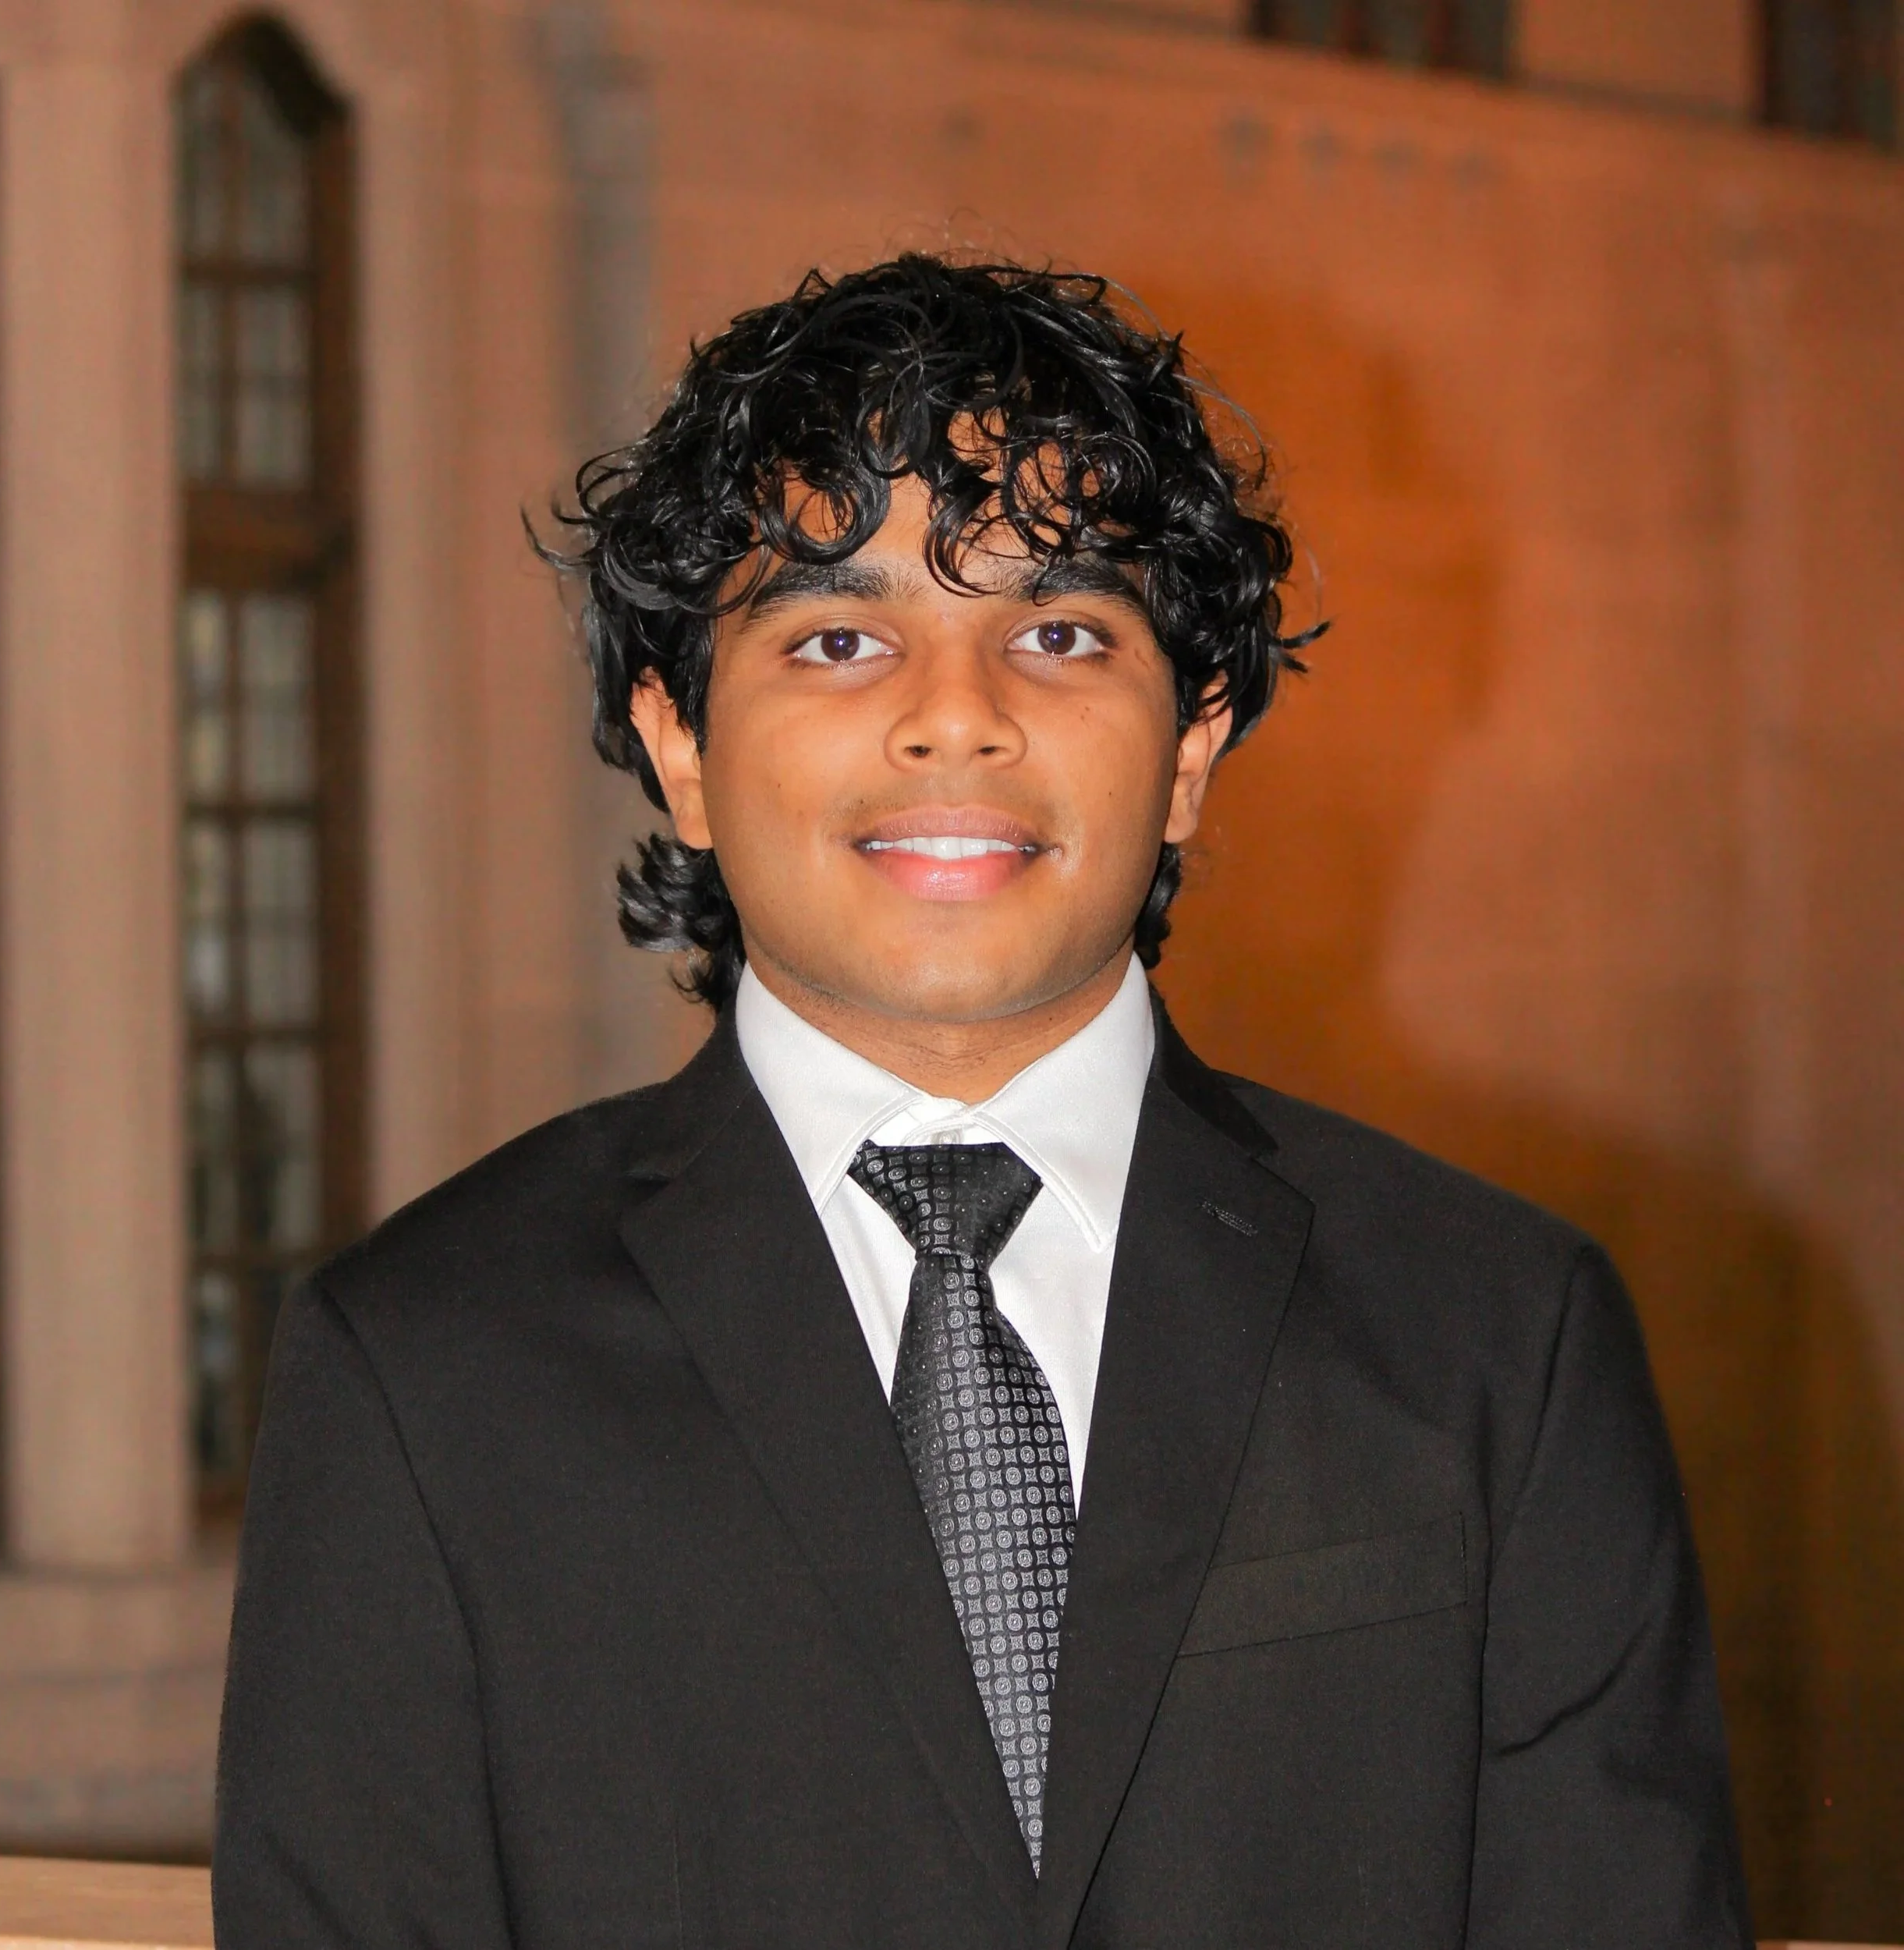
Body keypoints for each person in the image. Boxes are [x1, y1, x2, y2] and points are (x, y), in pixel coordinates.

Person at [213, 256, 1752, 1948]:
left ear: (1188, 744)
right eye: (840, 637)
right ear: (681, 746)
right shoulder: (423, 1367)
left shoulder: (1496, 1337)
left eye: (1057, 632)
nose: (957, 717)